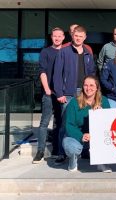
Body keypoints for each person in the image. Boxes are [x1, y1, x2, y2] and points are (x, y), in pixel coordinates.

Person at [53, 25, 96, 165]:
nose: (78, 39)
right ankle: (61, 153)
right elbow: (57, 74)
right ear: (73, 36)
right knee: (66, 124)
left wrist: (92, 91)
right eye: (76, 36)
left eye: (81, 36)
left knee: (84, 122)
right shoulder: (64, 52)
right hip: (68, 94)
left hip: (85, 93)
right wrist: (59, 92)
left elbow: (92, 74)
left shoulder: (88, 53)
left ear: (85, 37)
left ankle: (83, 151)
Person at [62, 75, 111, 172]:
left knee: (109, 138)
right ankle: (73, 162)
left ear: (97, 88)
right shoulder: (74, 103)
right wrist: (82, 136)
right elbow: (68, 125)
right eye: (86, 85)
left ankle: (101, 163)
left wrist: (102, 114)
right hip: (79, 137)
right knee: (70, 146)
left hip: (96, 137)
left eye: (92, 85)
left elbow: (109, 124)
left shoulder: (104, 101)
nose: (88, 88)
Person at [32, 27, 65, 164]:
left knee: (60, 122)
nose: (57, 38)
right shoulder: (46, 52)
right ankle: (40, 151)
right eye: (54, 36)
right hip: (49, 93)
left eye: (59, 36)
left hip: (62, 94)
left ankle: (58, 151)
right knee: (44, 123)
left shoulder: (66, 52)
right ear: (51, 37)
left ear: (63, 37)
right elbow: (43, 71)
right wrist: (47, 89)